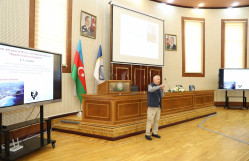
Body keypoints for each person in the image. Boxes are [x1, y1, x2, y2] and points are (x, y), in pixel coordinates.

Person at [145, 75, 165, 140]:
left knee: (156, 120)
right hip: (152, 106)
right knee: (150, 120)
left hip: (158, 106)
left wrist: (162, 90)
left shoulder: (158, 87)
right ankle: (147, 134)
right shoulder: (150, 85)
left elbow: (162, 96)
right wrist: (159, 86)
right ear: (154, 80)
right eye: (158, 79)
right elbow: (150, 90)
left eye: (159, 79)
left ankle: (154, 133)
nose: (159, 80)